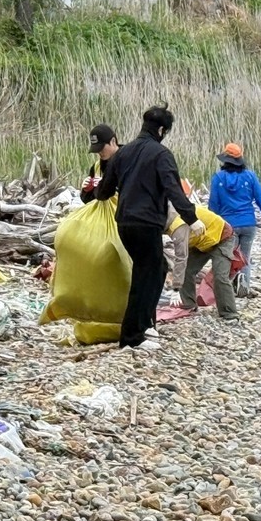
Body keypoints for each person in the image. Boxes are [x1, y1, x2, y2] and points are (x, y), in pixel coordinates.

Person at [95, 105, 201, 350]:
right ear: (162, 130)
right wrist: (192, 219)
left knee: (156, 269)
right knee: (146, 276)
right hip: (146, 223)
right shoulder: (161, 154)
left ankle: (146, 324)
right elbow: (174, 189)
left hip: (124, 223)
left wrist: (91, 190)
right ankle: (133, 337)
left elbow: (104, 191)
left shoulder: (122, 153)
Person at [207, 143, 261, 294]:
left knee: (228, 258)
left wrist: (211, 223)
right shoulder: (250, 176)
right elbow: (260, 197)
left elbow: (213, 204)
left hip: (228, 225)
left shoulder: (218, 178)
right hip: (248, 223)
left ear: (225, 160)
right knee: (244, 257)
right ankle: (243, 287)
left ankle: (228, 288)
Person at [167, 204, 239, 321]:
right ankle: (189, 304)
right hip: (201, 241)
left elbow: (181, 257)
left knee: (220, 276)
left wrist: (175, 289)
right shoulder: (169, 218)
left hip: (222, 237)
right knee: (186, 270)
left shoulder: (178, 224)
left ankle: (229, 314)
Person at [80, 124, 119, 204]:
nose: (99, 152)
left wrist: (106, 185)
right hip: (101, 212)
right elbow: (87, 201)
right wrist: (86, 190)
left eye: (101, 148)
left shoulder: (129, 161)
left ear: (113, 141)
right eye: (96, 150)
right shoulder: (96, 167)